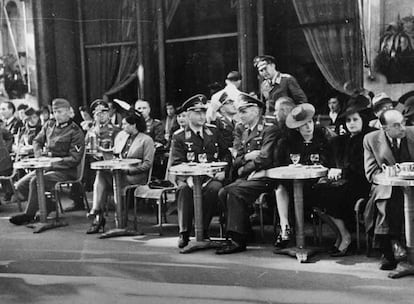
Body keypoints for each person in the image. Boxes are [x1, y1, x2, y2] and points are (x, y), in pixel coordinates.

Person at [216, 93, 282, 254]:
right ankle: (244, 230)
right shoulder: (244, 130)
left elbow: (265, 158)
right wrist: (246, 157)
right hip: (249, 176)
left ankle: (237, 239)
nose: (240, 115)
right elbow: (237, 157)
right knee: (223, 192)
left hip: (266, 175)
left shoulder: (269, 128)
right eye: (239, 111)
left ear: (256, 110)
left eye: (244, 111)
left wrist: (243, 169)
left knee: (234, 192)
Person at [9, 98, 85, 225]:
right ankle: (48, 204)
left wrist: (52, 163)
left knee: (35, 181)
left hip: (67, 170)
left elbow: (74, 159)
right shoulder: (49, 125)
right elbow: (37, 141)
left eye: (60, 112)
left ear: (68, 112)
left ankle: (29, 214)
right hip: (46, 167)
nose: (57, 115)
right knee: (20, 185)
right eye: (55, 112)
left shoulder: (75, 131)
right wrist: (39, 155)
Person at [313, 104, 376, 256]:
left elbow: (361, 166)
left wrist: (341, 171)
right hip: (342, 182)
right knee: (316, 192)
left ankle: (346, 237)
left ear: (363, 120)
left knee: (332, 195)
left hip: (361, 182)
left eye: (355, 119)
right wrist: (331, 170)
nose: (351, 123)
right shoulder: (340, 141)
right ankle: (341, 235)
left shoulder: (368, 138)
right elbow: (329, 160)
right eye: (348, 120)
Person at [170, 94, 229, 248]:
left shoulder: (213, 132)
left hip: (211, 177)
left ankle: (203, 229)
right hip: (189, 178)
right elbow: (177, 162)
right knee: (183, 190)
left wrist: (223, 170)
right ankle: (184, 232)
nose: (202, 116)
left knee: (214, 188)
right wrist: (189, 178)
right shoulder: (180, 137)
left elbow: (225, 153)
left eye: (203, 112)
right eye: (197, 113)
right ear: (188, 115)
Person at [86, 110, 155, 234]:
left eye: (125, 124)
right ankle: (97, 211)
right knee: (101, 174)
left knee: (109, 179)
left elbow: (147, 164)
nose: (122, 127)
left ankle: (99, 217)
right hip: (119, 173)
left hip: (136, 176)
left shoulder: (146, 140)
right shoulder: (121, 136)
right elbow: (115, 153)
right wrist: (100, 150)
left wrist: (129, 170)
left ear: (134, 125)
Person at [363, 109, 414, 270]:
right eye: (397, 125)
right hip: (385, 185)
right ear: (385, 128)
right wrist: (392, 175)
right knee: (387, 197)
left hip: (412, 184)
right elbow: (371, 173)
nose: (403, 128)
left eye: (403, 122)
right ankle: (388, 249)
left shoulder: (412, 134)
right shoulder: (371, 140)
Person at [135, 99, 166, 179]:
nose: (141, 111)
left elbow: (159, 142)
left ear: (149, 110)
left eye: (144, 108)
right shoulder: (132, 125)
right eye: (139, 108)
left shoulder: (156, 124)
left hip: (150, 157)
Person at [0, 124, 13, 202]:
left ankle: (8, 192)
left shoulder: (1, 130)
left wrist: (7, 148)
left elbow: (10, 136)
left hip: (3, 161)